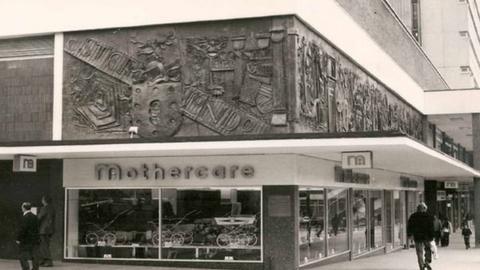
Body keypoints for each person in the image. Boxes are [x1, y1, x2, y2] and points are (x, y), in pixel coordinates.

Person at [407, 202, 434, 270]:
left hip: (418, 237)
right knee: (428, 249)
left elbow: (409, 226)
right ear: (424, 209)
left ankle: (421, 266)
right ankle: (427, 261)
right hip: (427, 237)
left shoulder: (413, 216)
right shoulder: (429, 216)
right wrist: (432, 236)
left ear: (417, 209)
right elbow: (431, 227)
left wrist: (409, 234)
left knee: (419, 252)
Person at [16, 202, 40, 270]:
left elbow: (23, 229)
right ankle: (35, 268)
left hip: (25, 240)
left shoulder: (24, 217)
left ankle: (26, 268)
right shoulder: (35, 216)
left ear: (23, 208)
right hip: (34, 239)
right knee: (34, 255)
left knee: (22, 256)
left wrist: (18, 238)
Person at [38, 195, 55, 267]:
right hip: (50, 230)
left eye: (42, 199)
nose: (41, 201)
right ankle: (43, 260)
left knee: (43, 246)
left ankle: (48, 261)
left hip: (43, 230)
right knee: (46, 245)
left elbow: (39, 217)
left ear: (44, 201)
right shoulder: (52, 208)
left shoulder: (44, 208)